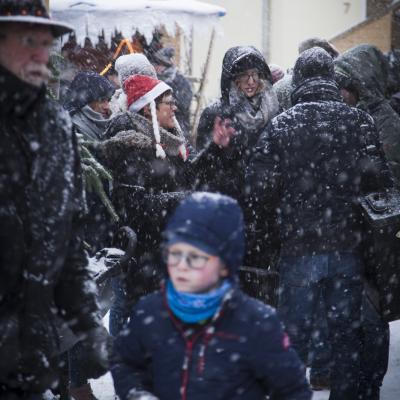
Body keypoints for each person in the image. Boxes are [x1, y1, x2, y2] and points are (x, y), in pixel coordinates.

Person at [246, 47, 391, 400]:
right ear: (331, 77)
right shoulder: (358, 121)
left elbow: (257, 190)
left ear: (299, 78)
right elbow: (380, 185)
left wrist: (278, 224)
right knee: (346, 336)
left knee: (292, 336)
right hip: (347, 247)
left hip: (298, 249)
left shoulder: (281, 123)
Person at [0, 1, 108, 398]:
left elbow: (69, 236)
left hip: (34, 350)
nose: (40, 55)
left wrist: (86, 322)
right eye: (29, 40)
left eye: (46, 44)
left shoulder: (55, 124)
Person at [110, 192, 312, 400]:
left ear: (225, 264)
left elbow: (293, 390)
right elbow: (125, 362)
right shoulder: (150, 313)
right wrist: (136, 393)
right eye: (175, 253)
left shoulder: (256, 324)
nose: (182, 265)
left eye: (196, 257)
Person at [194, 46, 280, 270]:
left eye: (255, 74)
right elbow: (199, 170)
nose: (251, 81)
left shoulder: (274, 109)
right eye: (244, 75)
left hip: (263, 211)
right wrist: (215, 146)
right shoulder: (216, 113)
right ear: (233, 80)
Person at [151, 46, 193, 135]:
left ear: (166, 65)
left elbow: (183, 105)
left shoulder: (180, 80)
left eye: (159, 64)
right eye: (155, 64)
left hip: (178, 125)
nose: (156, 67)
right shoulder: (155, 80)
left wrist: (168, 102)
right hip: (160, 125)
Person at [64, 70, 115, 141]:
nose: (107, 107)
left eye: (108, 100)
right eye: (101, 100)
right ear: (85, 101)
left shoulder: (106, 127)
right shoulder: (71, 132)